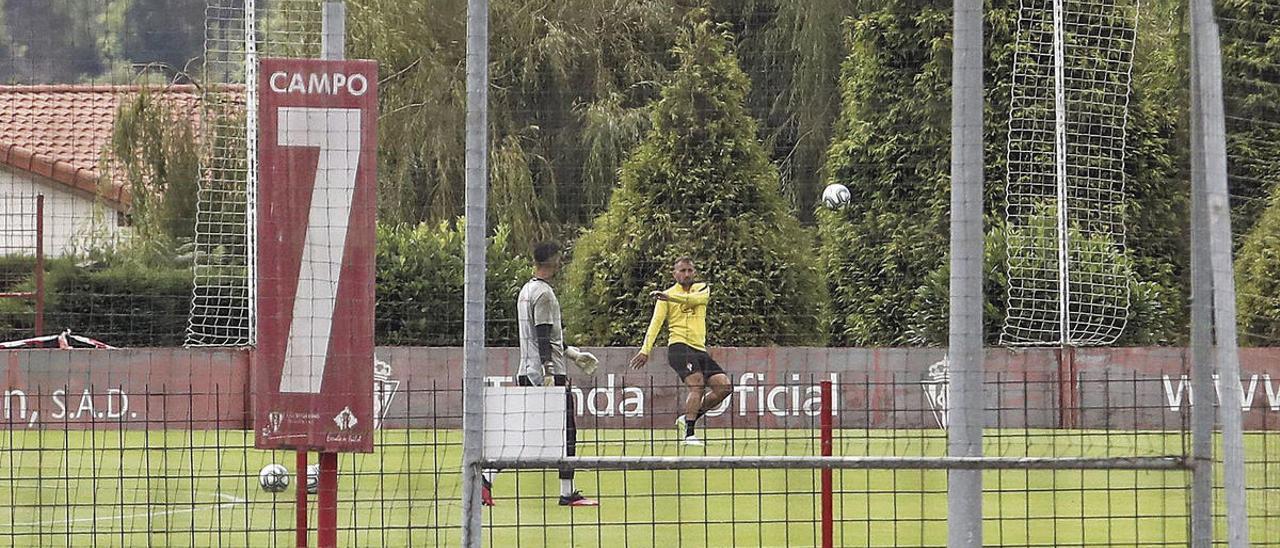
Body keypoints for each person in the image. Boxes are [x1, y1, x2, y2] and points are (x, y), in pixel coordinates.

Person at [482, 241, 599, 507]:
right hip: (546, 374)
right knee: (567, 431)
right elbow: (543, 334)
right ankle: (567, 493)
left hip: (527, 370)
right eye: (559, 258)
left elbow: (541, 336)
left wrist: (573, 355)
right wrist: (549, 369)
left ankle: (486, 480)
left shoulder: (526, 290)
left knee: (526, 433)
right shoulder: (545, 294)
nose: (561, 263)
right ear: (551, 261)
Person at [629, 257, 732, 446]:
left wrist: (670, 298)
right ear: (674, 274)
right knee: (697, 385)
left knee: (724, 387)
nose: (686, 274)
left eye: (689, 270)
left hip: (699, 348)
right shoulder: (666, 296)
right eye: (682, 270)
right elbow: (655, 324)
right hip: (678, 346)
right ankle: (689, 435)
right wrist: (645, 350)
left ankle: (688, 418)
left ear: (694, 272)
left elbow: (695, 300)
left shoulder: (701, 288)